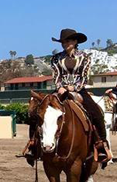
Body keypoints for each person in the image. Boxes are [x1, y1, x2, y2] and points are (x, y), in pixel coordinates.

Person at [20, 28, 112, 165]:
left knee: (96, 112)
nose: (64, 44)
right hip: (60, 91)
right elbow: (56, 76)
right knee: (37, 112)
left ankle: (102, 145)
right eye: (63, 41)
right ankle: (33, 145)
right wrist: (60, 87)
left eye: (68, 41)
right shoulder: (56, 58)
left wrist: (74, 87)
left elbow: (85, 76)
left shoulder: (85, 57)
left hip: (79, 90)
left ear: (75, 42)